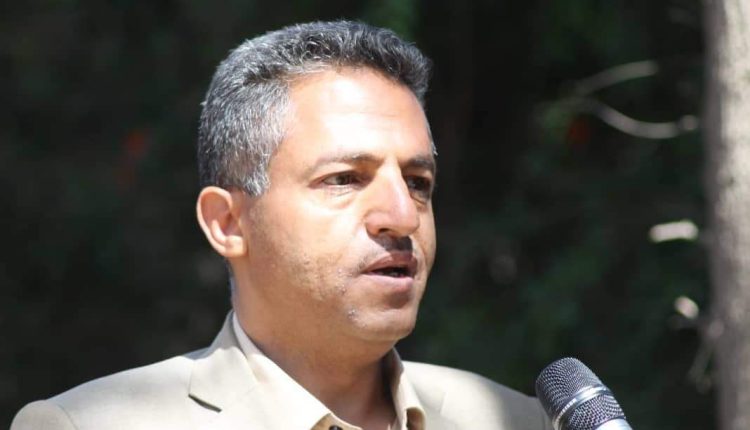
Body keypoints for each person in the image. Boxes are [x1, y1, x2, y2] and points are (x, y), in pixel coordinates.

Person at [11, 21, 552, 430]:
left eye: (418, 182)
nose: (403, 216)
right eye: (344, 179)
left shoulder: (517, 420)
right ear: (228, 223)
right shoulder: (92, 424)